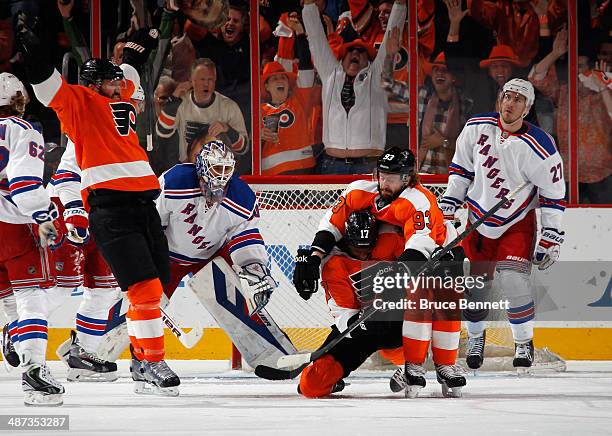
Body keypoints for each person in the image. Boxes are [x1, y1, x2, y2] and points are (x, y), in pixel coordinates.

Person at [17, 24, 181, 395]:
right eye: (110, 81)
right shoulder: (80, 104)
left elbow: (134, 63)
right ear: (94, 85)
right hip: (110, 207)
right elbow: (48, 88)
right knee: (142, 289)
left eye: (117, 81)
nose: (119, 85)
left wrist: (152, 34)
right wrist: (35, 52)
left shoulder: (123, 92)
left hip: (143, 203)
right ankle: (151, 363)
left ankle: (141, 359)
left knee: (152, 286)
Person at [293, 146, 465, 397]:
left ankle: (432, 363)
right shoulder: (335, 261)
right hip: (363, 323)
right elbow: (330, 224)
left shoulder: (406, 217)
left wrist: (397, 284)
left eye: (392, 178)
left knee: (439, 289)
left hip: (401, 308)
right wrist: (313, 257)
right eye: (381, 175)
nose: (384, 182)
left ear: (407, 178)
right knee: (310, 386)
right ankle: (339, 377)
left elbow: (420, 245)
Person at [438, 78, 566, 371]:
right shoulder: (476, 127)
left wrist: (552, 234)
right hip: (478, 219)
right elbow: (461, 169)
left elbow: (554, 193)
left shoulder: (541, 146)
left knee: (513, 282)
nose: (510, 103)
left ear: (527, 107)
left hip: (516, 221)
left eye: (518, 100)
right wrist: (450, 203)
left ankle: (523, 341)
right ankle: (475, 338)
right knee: (476, 285)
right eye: (507, 97)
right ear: (499, 99)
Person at [0, 72, 65, 406]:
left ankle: (15, 333)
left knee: (9, 295)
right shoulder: (22, 129)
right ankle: (34, 369)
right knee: (30, 294)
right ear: (19, 101)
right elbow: (24, 185)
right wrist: (44, 214)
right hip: (12, 224)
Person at [298, 209, 407, 398]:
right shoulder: (333, 264)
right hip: (358, 331)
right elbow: (345, 319)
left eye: (368, 248)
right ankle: (333, 381)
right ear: (347, 241)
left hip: (394, 323)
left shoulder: (390, 238)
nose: (364, 254)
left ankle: (410, 363)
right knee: (311, 386)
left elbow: (418, 262)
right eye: (358, 249)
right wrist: (366, 321)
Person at [302, 0, 406, 174]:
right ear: (341, 60)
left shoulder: (376, 77)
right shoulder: (330, 74)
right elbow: (316, 39)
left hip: (368, 166)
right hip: (332, 166)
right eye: (350, 51)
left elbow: (390, 42)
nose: (355, 53)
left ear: (370, 61)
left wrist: (400, 6)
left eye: (361, 51)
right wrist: (309, 6)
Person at [48, 139, 121, 382]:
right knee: (62, 284)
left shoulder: (126, 132)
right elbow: (67, 174)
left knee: (104, 288)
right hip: (68, 208)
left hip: (104, 212)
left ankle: (83, 356)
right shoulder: (89, 124)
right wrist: (74, 211)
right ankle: (17, 330)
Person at [156, 57, 249, 163]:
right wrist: (174, 100)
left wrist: (227, 129)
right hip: (189, 166)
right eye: (202, 79)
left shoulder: (229, 107)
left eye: (210, 79)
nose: (206, 84)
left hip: (218, 169)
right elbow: (162, 133)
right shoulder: (180, 102)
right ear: (192, 81)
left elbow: (243, 148)